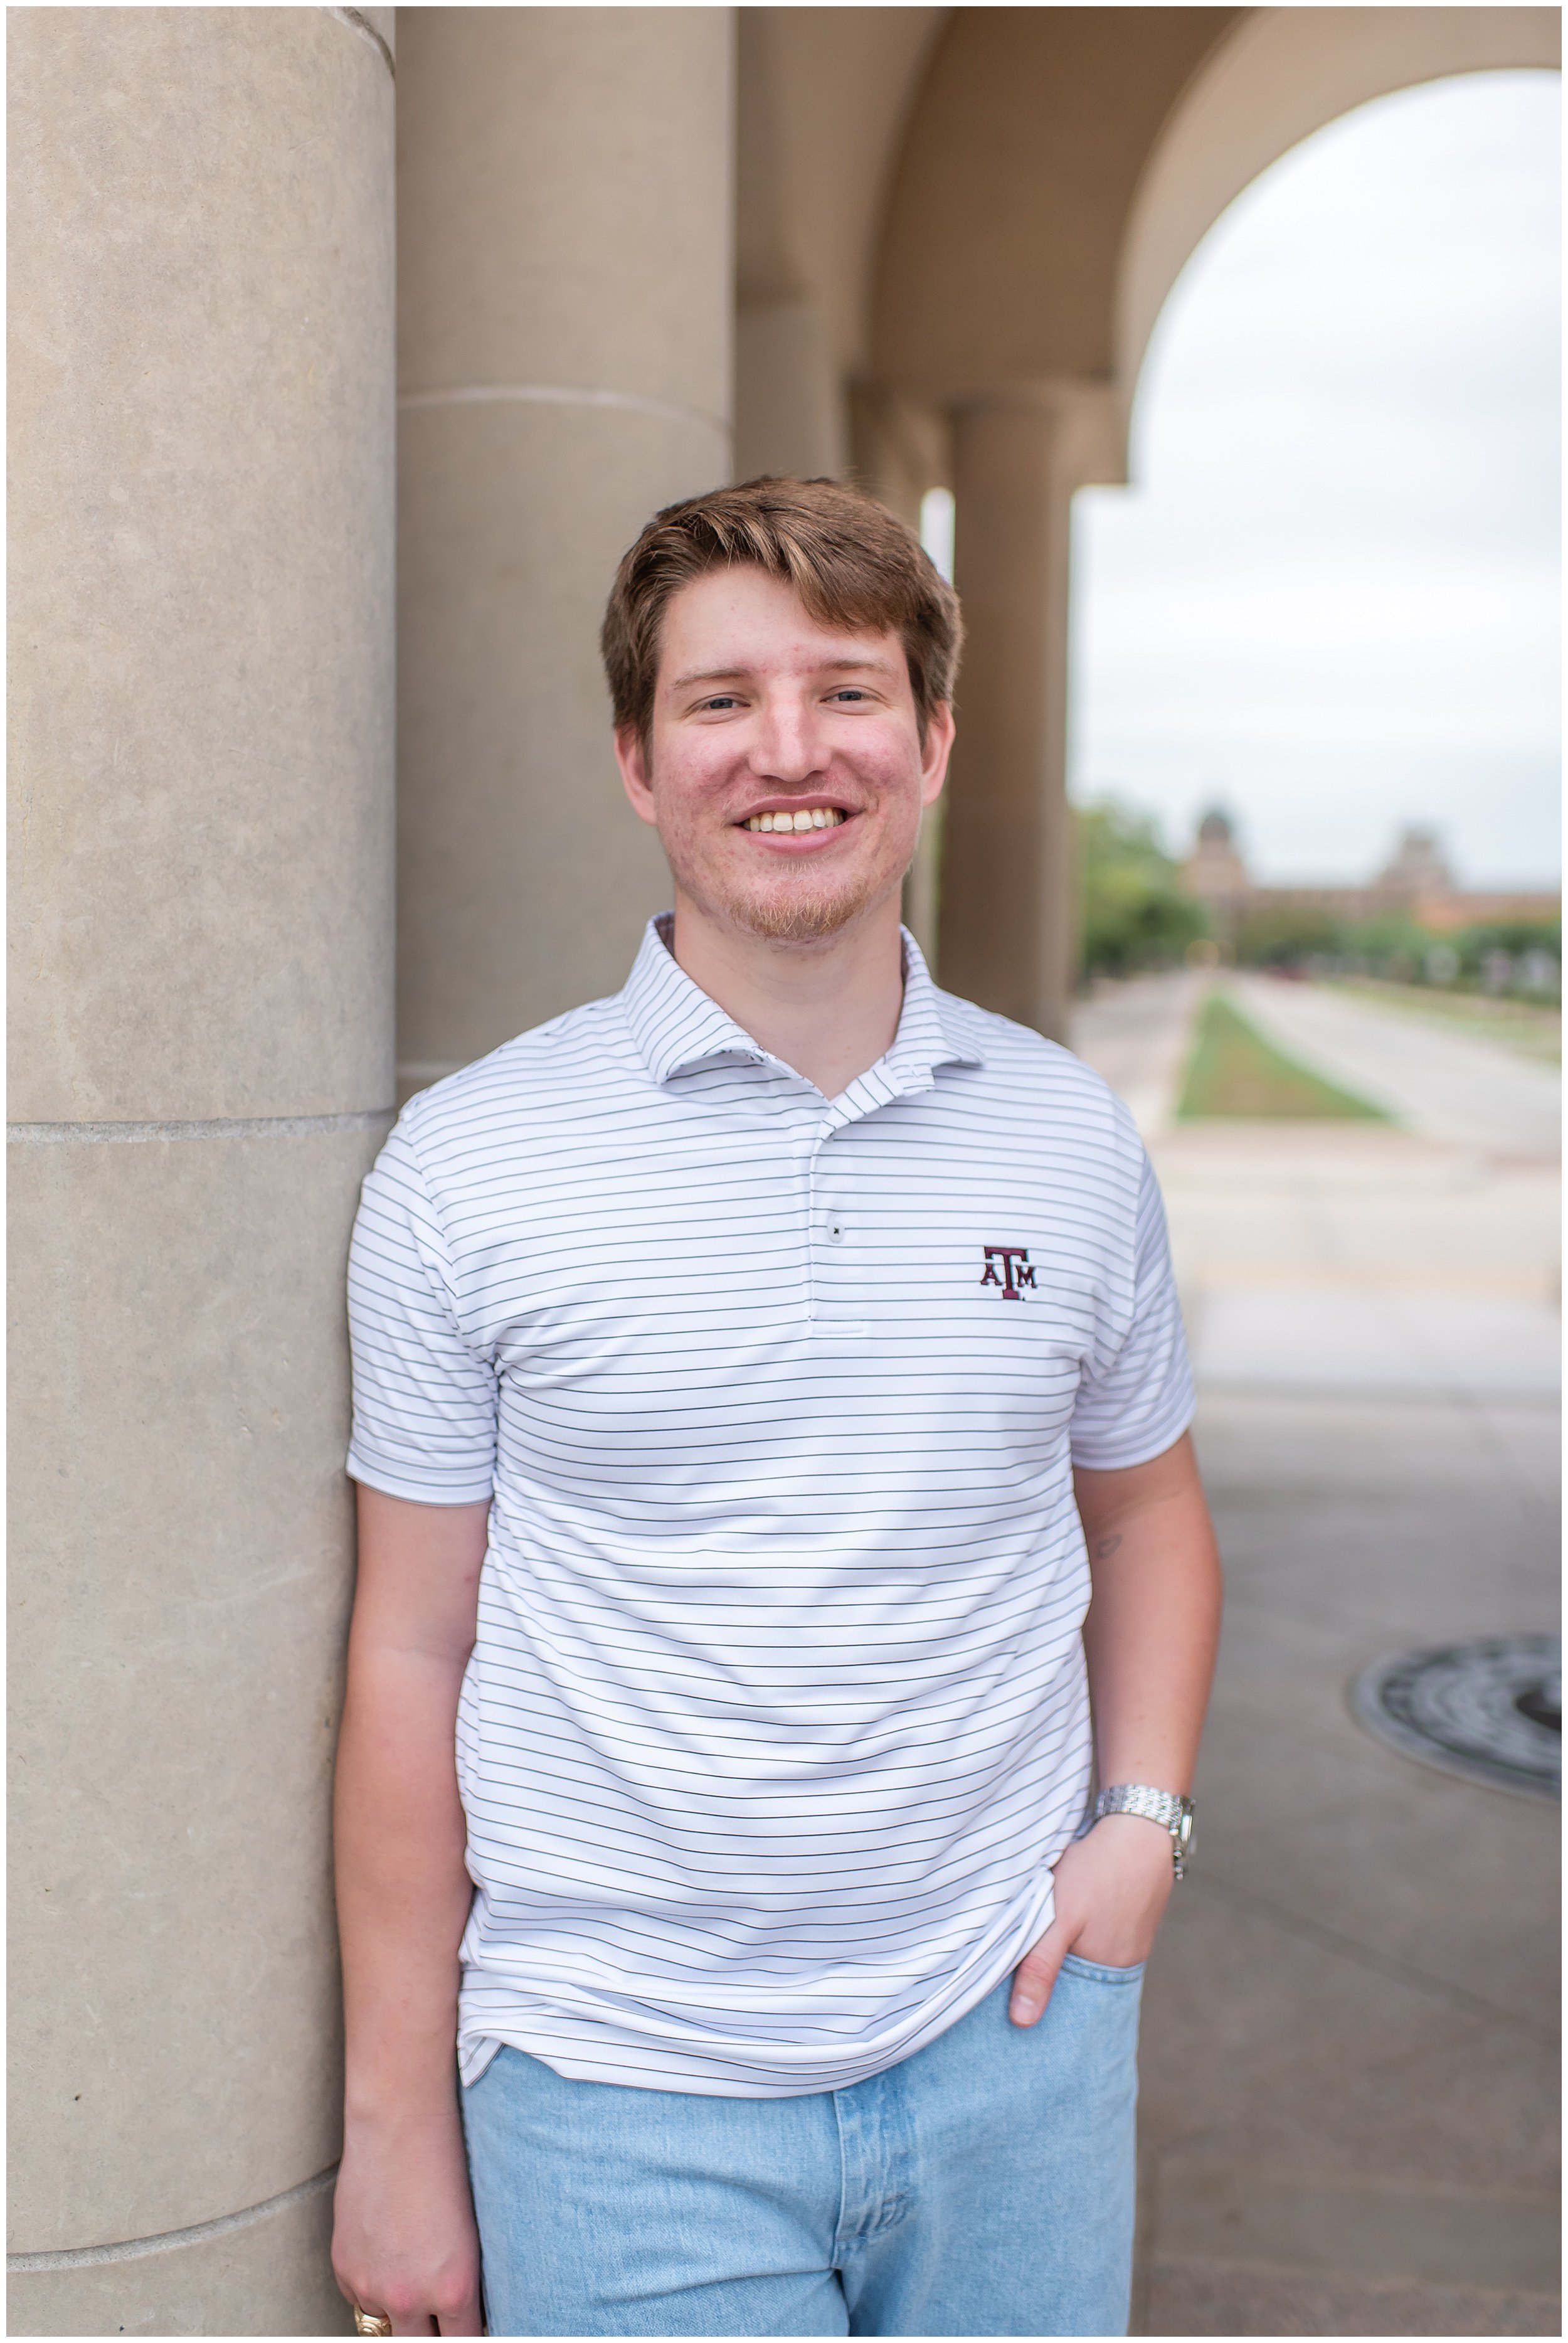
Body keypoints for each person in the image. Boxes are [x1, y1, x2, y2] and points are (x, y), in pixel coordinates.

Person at [331, 477, 1222, 2339]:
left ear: (932, 741)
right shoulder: (470, 1164)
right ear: (639, 765)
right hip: (615, 2091)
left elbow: (1143, 1512)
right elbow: (411, 1649)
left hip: (1018, 2041)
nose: (789, 751)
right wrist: (393, 2127)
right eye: (721, 701)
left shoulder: (1064, 1136)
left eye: (847, 691)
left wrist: (1138, 1822)